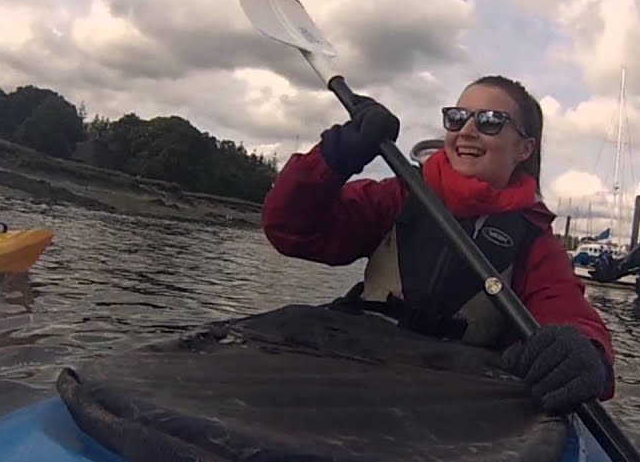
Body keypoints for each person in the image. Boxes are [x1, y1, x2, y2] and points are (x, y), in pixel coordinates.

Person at [261, 75, 615, 415]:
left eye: (491, 121)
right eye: (456, 117)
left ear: (524, 148)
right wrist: (332, 158)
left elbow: (566, 309)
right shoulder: (399, 194)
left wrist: (584, 349)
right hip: (354, 361)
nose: (466, 131)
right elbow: (291, 230)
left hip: (449, 396)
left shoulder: (534, 240)